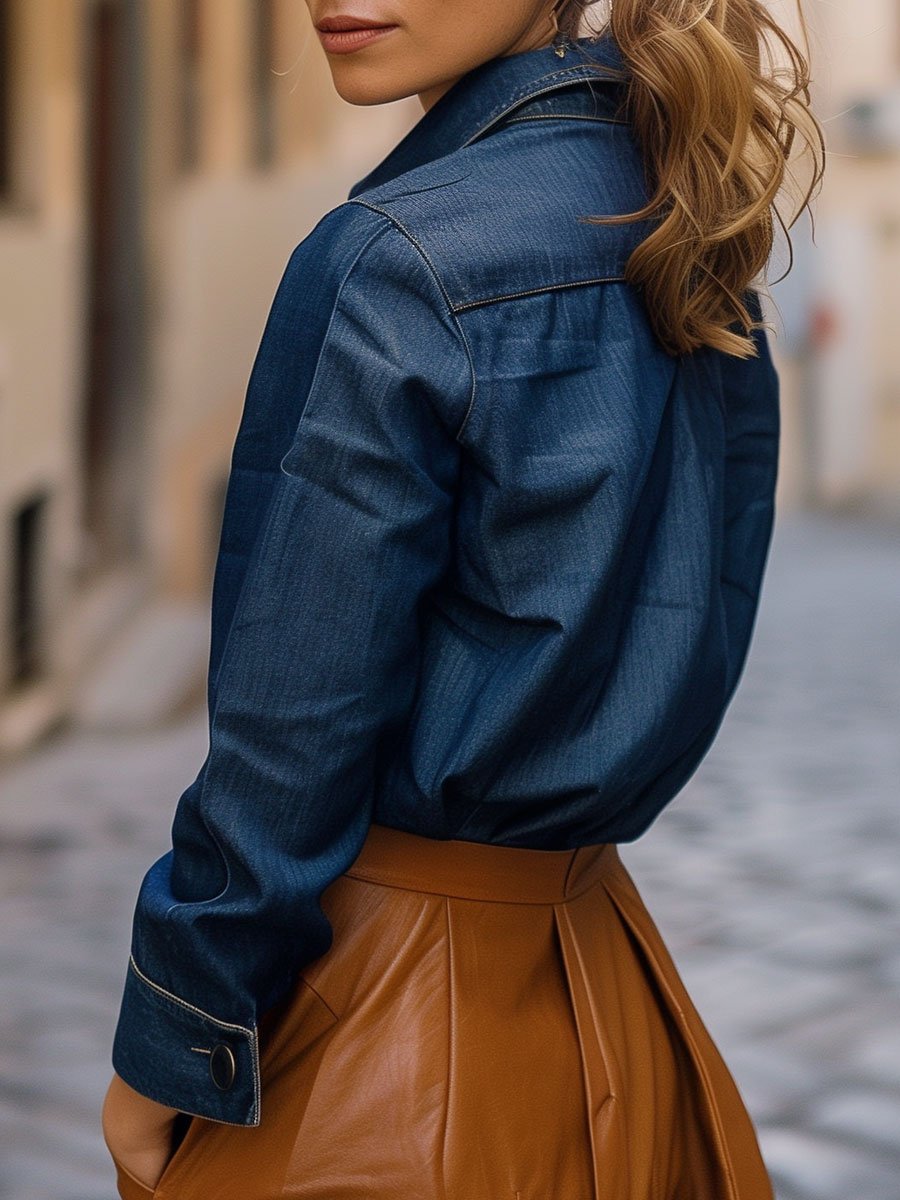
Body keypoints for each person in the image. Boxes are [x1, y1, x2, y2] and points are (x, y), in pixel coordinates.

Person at [101, 1, 825, 1196]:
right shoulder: (694, 223)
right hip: (612, 999)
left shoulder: (397, 258)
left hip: (381, 1028)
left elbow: (294, 734)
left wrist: (176, 1031)